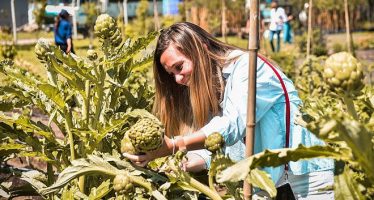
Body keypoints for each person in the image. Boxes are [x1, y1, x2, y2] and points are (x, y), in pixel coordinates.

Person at [123, 22, 334, 199]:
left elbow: (232, 125)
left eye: (179, 67)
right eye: (171, 74)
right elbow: (216, 149)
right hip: (267, 185)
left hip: (305, 181)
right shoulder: (214, 86)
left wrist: (174, 145)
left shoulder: (250, 68)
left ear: (202, 48)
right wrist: (182, 165)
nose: (177, 79)